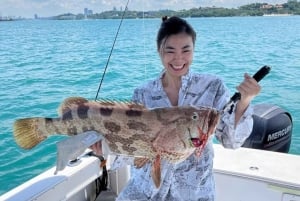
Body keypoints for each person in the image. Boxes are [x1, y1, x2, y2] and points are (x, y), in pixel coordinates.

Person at [93, 16, 261, 200]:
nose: (178, 58)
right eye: (170, 51)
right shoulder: (143, 93)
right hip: (145, 192)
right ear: (159, 52)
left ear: (194, 50)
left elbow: (231, 140)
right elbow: (137, 148)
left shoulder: (213, 87)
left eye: (186, 50)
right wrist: (106, 148)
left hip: (194, 194)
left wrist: (245, 101)